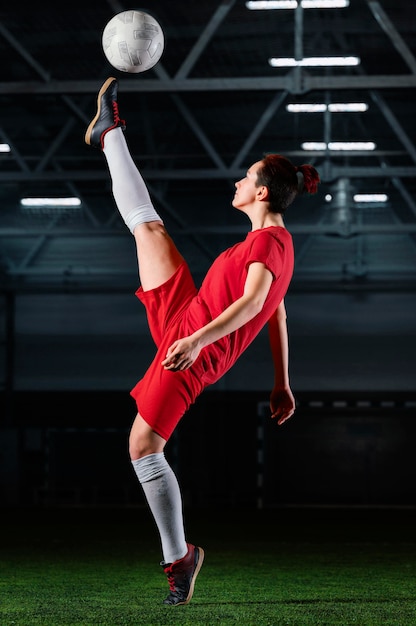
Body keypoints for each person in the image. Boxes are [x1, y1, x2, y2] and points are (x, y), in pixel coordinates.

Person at [84, 77, 320, 606]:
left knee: (143, 446)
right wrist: (282, 381)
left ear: (260, 192)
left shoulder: (268, 241)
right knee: (148, 230)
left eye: (246, 177)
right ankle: (110, 134)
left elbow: (257, 304)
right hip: (187, 317)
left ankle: (179, 557)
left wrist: (194, 340)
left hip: (192, 349)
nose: (237, 181)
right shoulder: (273, 242)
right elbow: (275, 306)